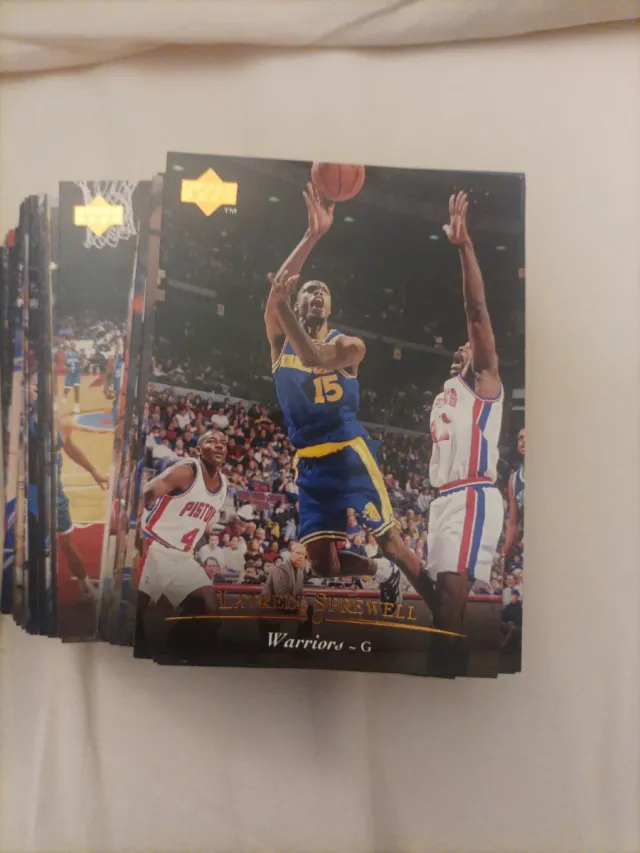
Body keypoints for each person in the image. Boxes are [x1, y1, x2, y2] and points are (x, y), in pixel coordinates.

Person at [264, 182, 434, 610]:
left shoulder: (349, 345)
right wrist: (312, 235)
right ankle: (382, 573)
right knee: (324, 565)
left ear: (331, 307)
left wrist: (282, 301)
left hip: (348, 453)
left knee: (392, 542)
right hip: (309, 462)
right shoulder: (278, 345)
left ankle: (446, 617)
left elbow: (311, 353)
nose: (317, 294)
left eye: (324, 291)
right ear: (300, 300)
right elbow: (277, 296)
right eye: (310, 289)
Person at [426, 191, 504, 675]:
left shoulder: (485, 382)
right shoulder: (443, 395)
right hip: (444, 500)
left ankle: (444, 677)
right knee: (441, 604)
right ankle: (450, 669)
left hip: (473, 494)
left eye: (469, 345)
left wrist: (465, 247)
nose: (464, 347)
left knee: (452, 601)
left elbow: (476, 310)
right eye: (459, 347)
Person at [137, 430, 228, 638]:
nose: (219, 445)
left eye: (223, 443)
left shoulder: (224, 485)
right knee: (134, 615)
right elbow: (144, 495)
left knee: (210, 606)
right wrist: (136, 532)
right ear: (198, 450)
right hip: (154, 548)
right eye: (211, 441)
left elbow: (197, 523)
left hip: (183, 557)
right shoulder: (186, 472)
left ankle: (176, 644)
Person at [502, 427, 525, 572]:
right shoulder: (514, 479)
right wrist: (503, 554)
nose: (524, 442)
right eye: (520, 438)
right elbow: (512, 524)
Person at [63, 340, 83, 415]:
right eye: (72, 345)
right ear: (70, 346)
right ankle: (65, 395)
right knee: (67, 388)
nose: (74, 346)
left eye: (74, 345)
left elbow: (82, 363)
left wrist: (81, 368)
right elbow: (64, 365)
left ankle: (76, 406)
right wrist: (66, 368)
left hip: (77, 373)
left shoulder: (79, 354)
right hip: (69, 374)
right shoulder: (67, 354)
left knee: (76, 389)